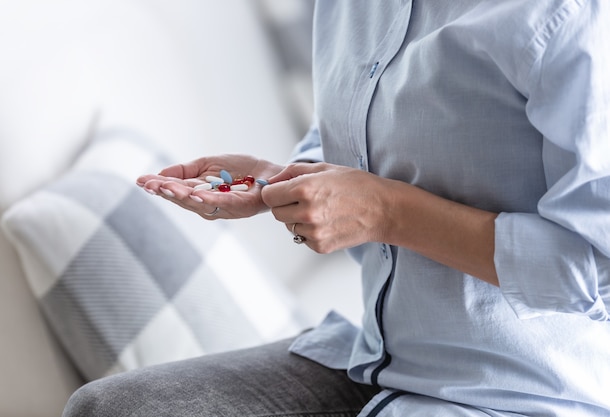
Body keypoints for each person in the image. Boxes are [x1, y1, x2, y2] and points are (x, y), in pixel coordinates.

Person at [63, 1, 610, 416]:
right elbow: (361, 136)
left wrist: (387, 213)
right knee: (114, 408)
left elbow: (597, 264)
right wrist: (278, 181)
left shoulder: (565, 18)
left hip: (527, 392)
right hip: (375, 357)